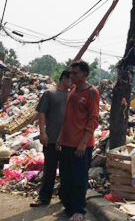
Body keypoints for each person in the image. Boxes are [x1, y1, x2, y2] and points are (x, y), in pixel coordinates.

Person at [56, 60, 100, 221]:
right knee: (66, 178)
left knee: (79, 180)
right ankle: (68, 208)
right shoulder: (73, 90)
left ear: (84, 75)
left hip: (81, 145)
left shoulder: (92, 93)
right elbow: (67, 117)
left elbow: (93, 119)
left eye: (75, 73)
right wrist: (61, 136)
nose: (71, 76)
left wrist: (83, 142)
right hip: (67, 142)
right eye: (71, 72)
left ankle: (78, 211)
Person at [30, 70, 72, 207]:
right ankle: (44, 197)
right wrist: (43, 133)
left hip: (68, 140)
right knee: (49, 170)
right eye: (71, 78)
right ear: (64, 78)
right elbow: (42, 113)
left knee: (66, 171)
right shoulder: (50, 93)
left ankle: (64, 197)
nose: (73, 81)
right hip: (51, 138)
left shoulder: (72, 95)